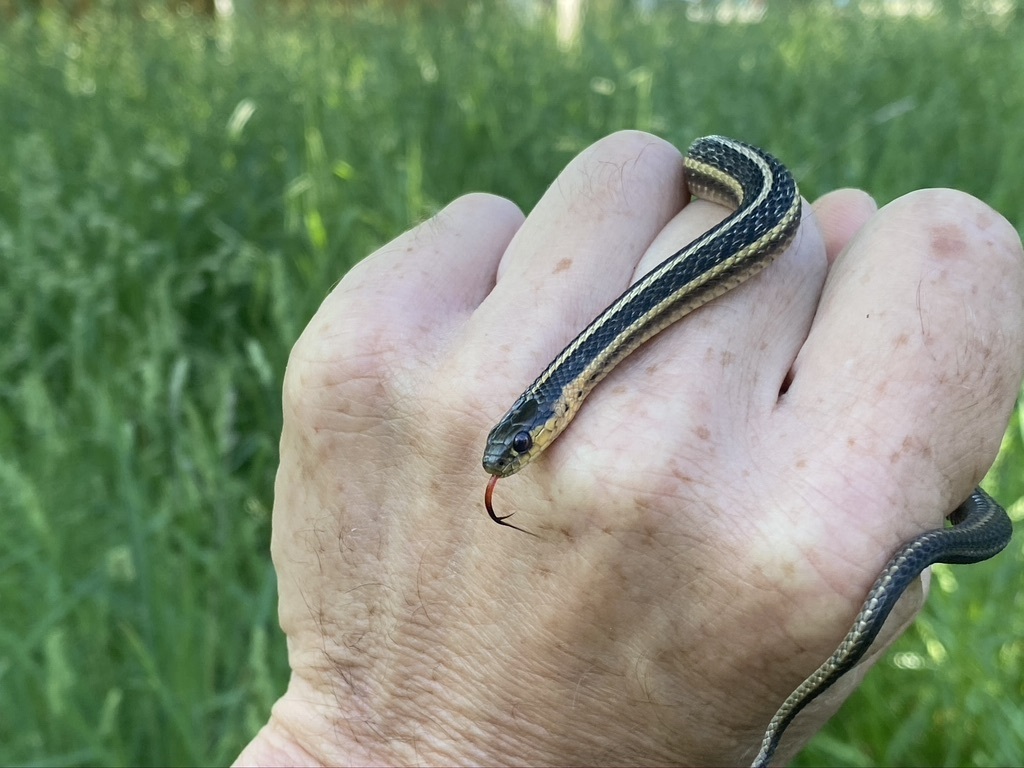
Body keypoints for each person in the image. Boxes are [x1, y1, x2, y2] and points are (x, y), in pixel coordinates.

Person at [234, 131, 1024, 766]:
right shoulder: (560, 385)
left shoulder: (577, 373)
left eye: (517, 446)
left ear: (546, 412)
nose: (512, 461)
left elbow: (762, 224)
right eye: (514, 451)